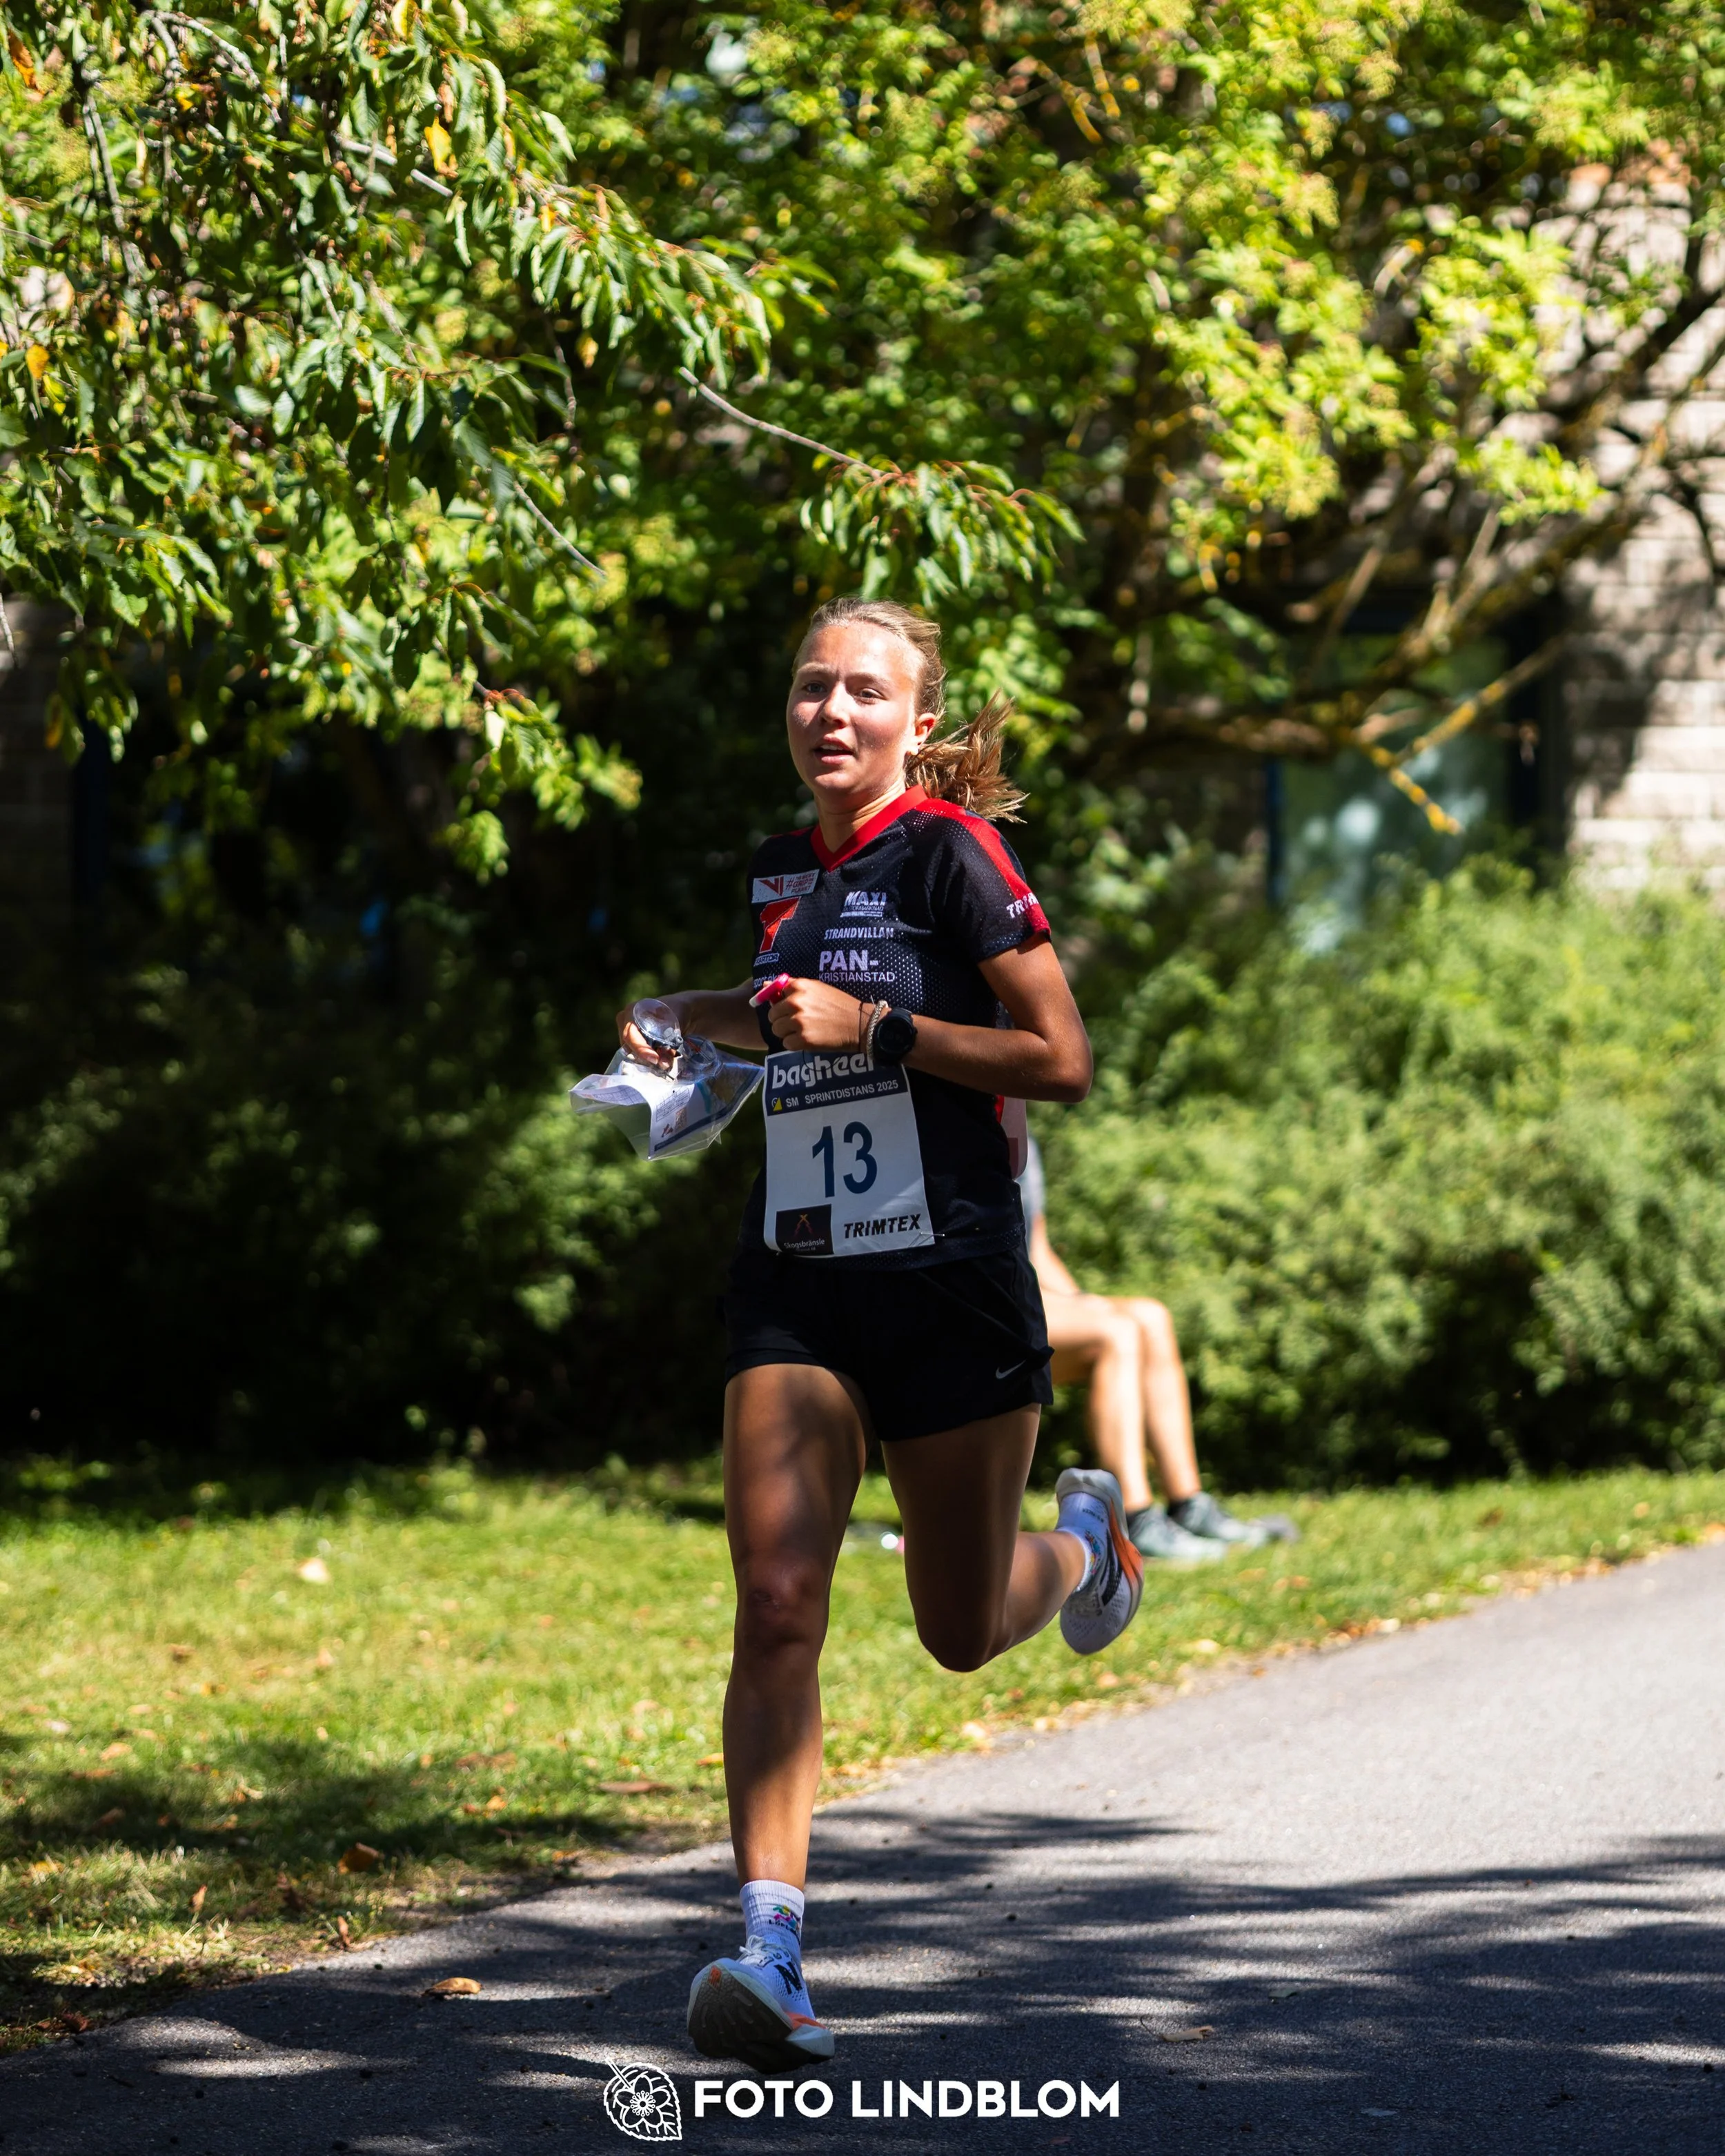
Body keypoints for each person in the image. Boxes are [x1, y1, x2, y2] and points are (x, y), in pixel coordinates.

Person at [616, 597, 1143, 2073]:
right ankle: (771, 1953)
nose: (831, 711)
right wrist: (689, 1014)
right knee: (780, 1597)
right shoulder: (780, 868)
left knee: (958, 1631)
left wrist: (881, 1032)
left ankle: (1088, 1549)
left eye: (862, 690)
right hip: (798, 1278)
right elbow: (785, 1015)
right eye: (810, 687)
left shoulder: (954, 855)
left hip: (952, 1278)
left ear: (916, 719)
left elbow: (1060, 1057)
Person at [1019, 1134, 1299, 1561]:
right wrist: (1097, 1317)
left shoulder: (1021, 1134)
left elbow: (1036, 1249)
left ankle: (1188, 1505)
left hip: (1024, 1296)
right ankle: (1134, 1519)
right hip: (980, 1311)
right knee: (1116, 1332)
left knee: (1150, 1318)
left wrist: (1084, 1304)